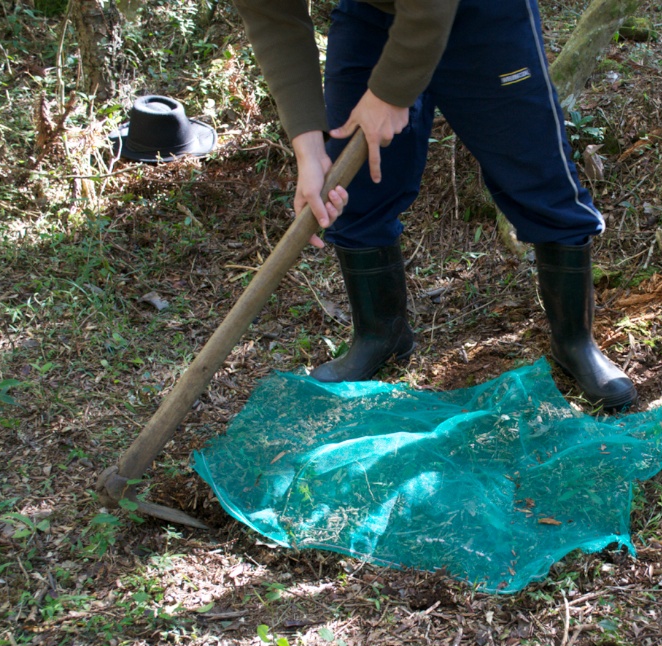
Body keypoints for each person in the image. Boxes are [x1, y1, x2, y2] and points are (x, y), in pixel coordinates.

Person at [234, 0, 637, 410]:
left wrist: (389, 93)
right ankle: (381, 336)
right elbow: (272, 14)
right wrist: (307, 148)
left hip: (481, 13)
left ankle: (574, 342)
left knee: (538, 172)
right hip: (373, 14)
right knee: (357, 188)